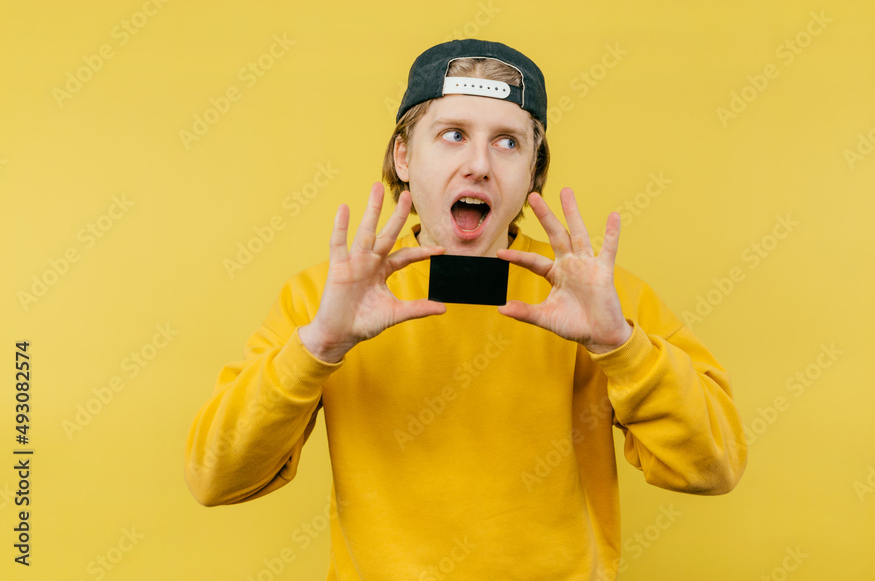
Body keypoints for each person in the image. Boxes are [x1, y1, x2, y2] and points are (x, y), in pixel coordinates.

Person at [184, 39, 748, 580]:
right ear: (404, 156)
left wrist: (619, 346)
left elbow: (714, 466)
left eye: (507, 142)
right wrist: (319, 348)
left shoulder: (601, 298)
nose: (479, 164)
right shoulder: (322, 300)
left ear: (533, 172)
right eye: (453, 134)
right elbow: (216, 478)